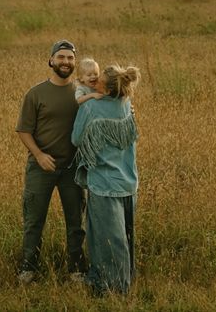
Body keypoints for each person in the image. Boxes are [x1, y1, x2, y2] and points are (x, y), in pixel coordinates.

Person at [15, 40, 87, 284]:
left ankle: (76, 269)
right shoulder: (36, 93)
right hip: (41, 167)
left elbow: (109, 102)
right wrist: (39, 155)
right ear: (51, 61)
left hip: (73, 168)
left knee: (76, 222)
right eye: (61, 57)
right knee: (34, 220)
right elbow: (24, 130)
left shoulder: (82, 92)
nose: (65, 62)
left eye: (70, 58)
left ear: (75, 63)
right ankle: (28, 268)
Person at [71, 64, 140, 296]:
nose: (94, 81)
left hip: (104, 183)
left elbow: (76, 138)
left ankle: (113, 288)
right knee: (125, 236)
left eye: (98, 79)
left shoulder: (92, 107)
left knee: (107, 239)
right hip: (129, 181)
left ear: (108, 90)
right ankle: (123, 278)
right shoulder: (126, 104)